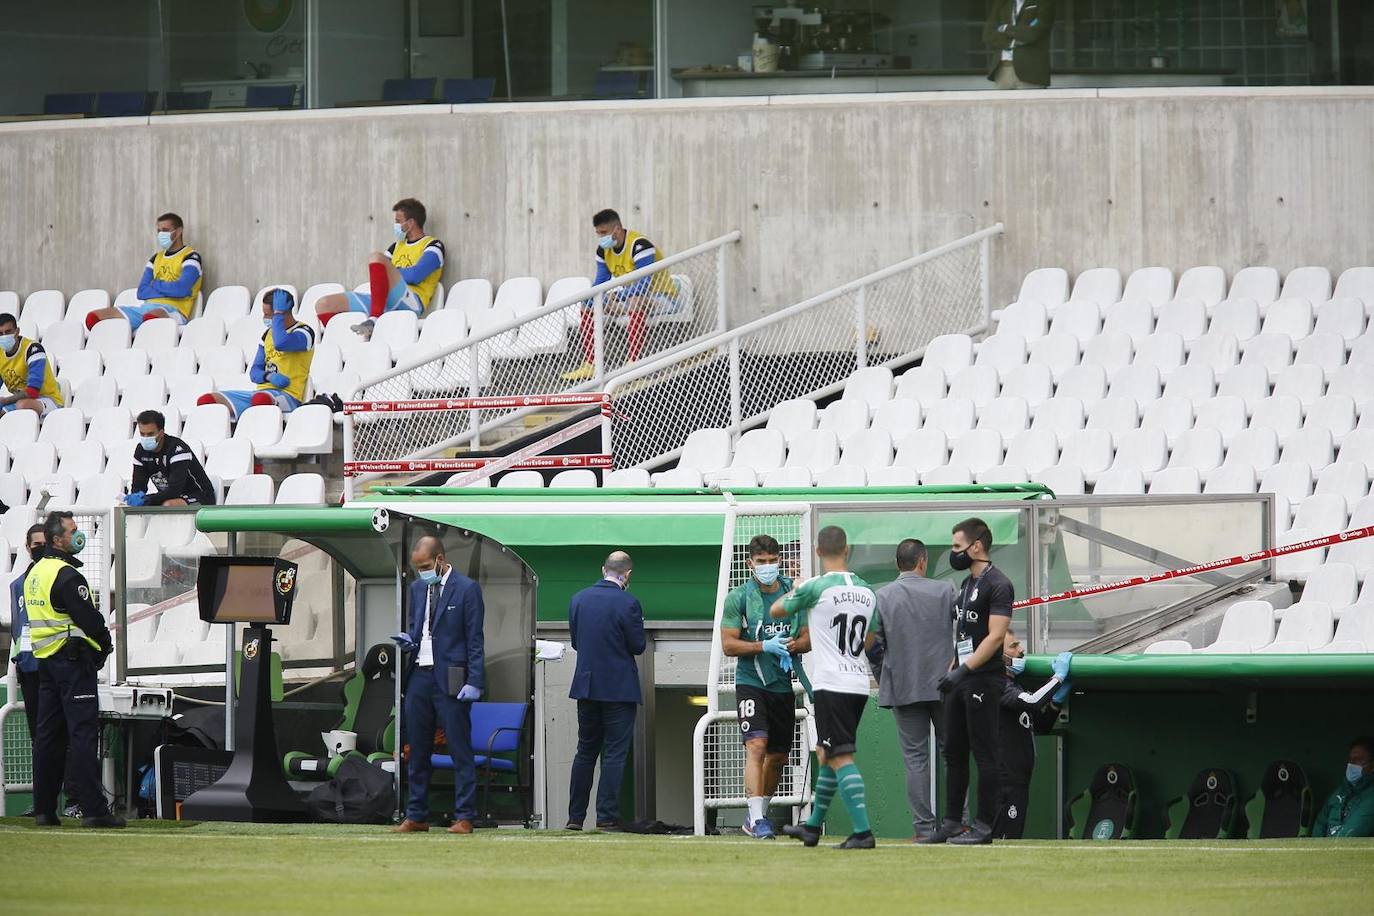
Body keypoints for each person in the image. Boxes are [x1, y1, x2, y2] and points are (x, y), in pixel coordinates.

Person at [774, 525, 876, 850]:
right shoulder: (867, 590)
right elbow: (870, 640)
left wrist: (797, 588)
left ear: (818, 552)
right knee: (826, 752)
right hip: (858, 681)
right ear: (847, 550)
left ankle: (863, 832)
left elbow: (778, 609)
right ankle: (813, 827)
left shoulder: (816, 586)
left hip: (831, 683)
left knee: (840, 755)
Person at [920, 516, 1015, 845]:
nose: (953, 553)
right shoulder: (966, 585)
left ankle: (984, 825)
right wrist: (952, 669)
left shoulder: (999, 584)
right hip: (960, 680)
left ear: (977, 546)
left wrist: (965, 670)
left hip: (983, 681)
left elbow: (995, 637)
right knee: (954, 752)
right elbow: (963, 635)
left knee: (985, 754)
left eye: (957, 546)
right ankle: (951, 823)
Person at [27, 511, 124, 828]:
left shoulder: (36, 572)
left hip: (46, 663)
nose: (77, 535)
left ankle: (44, 809)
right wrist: (105, 643)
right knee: (82, 734)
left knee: (48, 737)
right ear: (58, 540)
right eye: (72, 531)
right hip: (72, 661)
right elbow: (91, 621)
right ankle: (94, 810)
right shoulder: (67, 576)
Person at [391, 535, 486, 834]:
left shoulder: (468, 589)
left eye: (425, 566)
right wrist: (410, 642)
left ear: (441, 559)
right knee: (416, 748)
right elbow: (416, 626)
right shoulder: (418, 588)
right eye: (417, 567)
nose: (421, 572)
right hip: (419, 673)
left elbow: (475, 639)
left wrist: (475, 681)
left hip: (452, 677)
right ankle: (416, 814)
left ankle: (465, 816)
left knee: (459, 747)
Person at [865, 538, 957, 842]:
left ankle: (923, 829)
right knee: (953, 755)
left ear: (897, 564)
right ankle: (961, 823)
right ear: (923, 561)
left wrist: (885, 676)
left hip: (903, 686)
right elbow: (965, 634)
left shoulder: (883, 596)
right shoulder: (946, 591)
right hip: (946, 686)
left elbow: (873, 646)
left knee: (915, 759)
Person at [721, 534, 805, 839]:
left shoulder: (792, 593)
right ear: (750, 564)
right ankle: (757, 820)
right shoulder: (739, 597)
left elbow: (807, 637)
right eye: (761, 562)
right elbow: (729, 645)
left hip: (782, 685)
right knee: (756, 745)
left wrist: (793, 645)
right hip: (751, 682)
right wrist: (764, 646)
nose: (767, 566)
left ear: (779, 561)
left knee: (779, 756)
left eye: (772, 561)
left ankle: (757, 815)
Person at [566, 550, 646, 831]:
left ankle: (575, 818)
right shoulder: (629, 603)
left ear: (604, 569)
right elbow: (638, 646)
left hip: (587, 686)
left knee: (585, 751)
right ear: (628, 574)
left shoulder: (578, 599)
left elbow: (576, 642)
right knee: (613, 753)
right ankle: (606, 816)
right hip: (619, 687)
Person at [560, 209, 679, 382]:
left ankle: (633, 362)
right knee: (588, 303)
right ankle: (590, 364)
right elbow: (600, 282)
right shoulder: (603, 251)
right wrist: (593, 297)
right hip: (630, 300)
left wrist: (618, 296)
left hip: (663, 298)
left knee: (635, 299)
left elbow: (643, 286)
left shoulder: (640, 245)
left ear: (616, 229)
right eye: (598, 233)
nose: (601, 238)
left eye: (604, 233)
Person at [313, 198, 445, 327]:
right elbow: (378, 275)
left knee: (376, 256)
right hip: (384, 302)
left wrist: (391, 271)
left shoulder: (433, 245)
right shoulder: (396, 247)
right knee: (323, 304)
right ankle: (346, 341)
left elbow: (415, 276)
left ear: (410, 223)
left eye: (398, 221)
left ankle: (375, 319)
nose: (396, 226)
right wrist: (389, 272)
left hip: (412, 303)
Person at [994, 631, 1071, 839]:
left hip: (1018, 779)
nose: (1021, 650)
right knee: (1004, 840)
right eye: (1013, 646)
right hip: (1005, 780)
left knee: (1012, 835)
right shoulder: (998, 685)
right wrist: (1058, 678)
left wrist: (1056, 702)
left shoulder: (1015, 686)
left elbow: (1040, 726)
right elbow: (1034, 701)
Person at [196, 288, 314, 419]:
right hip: (260, 394)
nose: (265, 318)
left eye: (269, 315)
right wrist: (268, 376)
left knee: (261, 399)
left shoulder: (304, 332)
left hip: (289, 396)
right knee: (208, 400)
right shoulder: (267, 335)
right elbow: (254, 372)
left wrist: (279, 313)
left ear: (282, 313)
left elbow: (281, 343)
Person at [85, 212, 204, 330]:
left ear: (178, 232)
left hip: (175, 311)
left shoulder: (191, 257)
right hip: (145, 308)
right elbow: (141, 292)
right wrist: (169, 288)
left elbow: (181, 289)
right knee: (95, 317)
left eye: (165, 230)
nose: (161, 234)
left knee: (153, 316)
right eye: (159, 231)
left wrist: (155, 284)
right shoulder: (155, 259)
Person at [125, 409, 218, 508]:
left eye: (150, 434)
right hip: (170, 497)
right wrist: (135, 497)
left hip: (200, 495)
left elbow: (174, 490)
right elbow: (138, 487)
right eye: (142, 434)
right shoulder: (141, 450)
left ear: (161, 432)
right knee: (130, 506)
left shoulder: (177, 449)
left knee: (168, 505)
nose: (146, 438)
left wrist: (147, 499)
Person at [0, 312, 64, 416]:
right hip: (19, 401)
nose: (4, 337)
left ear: (17, 332)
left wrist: (4, 401)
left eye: (8, 332)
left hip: (48, 399)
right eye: (0, 334)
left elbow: (32, 392)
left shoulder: (33, 349)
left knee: (22, 405)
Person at [983, 0, 1057, 90]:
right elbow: (988, 34)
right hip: (1003, 68)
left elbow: (1032, 34)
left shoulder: (1044, 3)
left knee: (1031, 103)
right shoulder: (1002, 2)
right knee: (1003, 103)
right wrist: (1012, 42)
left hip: (1031, 71)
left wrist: (1005, 28)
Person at [1312, 737, 1374, 838]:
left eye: (1358, 760)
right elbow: (1320, 824)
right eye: (1350, 759)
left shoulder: (1371, 796)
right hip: (1325, 850)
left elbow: (1352, 832)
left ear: (1372, 766)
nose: (1351, 764)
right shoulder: (1340, 791)